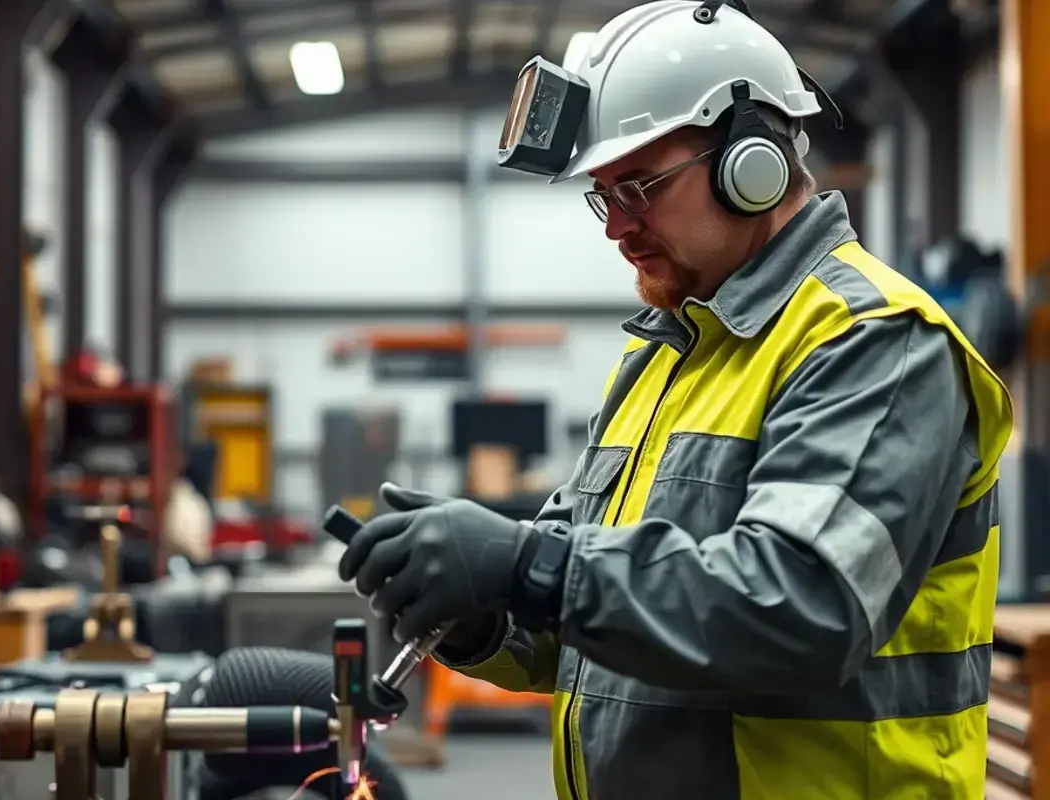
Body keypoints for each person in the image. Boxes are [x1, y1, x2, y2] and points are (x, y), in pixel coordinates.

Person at [337, 1, 1013, 798]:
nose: (615, 227)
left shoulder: (874, 341)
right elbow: (585, 630)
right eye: (602, 195)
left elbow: (801, 608)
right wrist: (484, 609)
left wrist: (530, 563)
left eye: (639, 187)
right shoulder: (664, 354)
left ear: (749, 162)